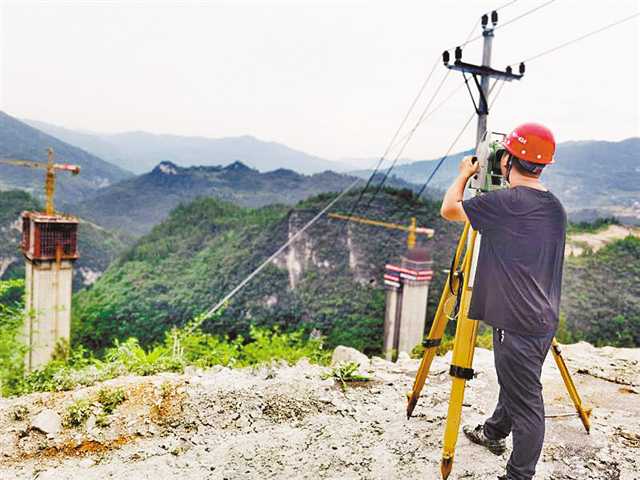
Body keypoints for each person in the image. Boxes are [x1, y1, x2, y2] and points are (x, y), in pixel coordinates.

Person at [439, 123, 566, 480]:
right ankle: (494, 431)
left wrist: (464, 174)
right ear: (542, 166)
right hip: (542, 318)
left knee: (527, 404)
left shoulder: (502, 204)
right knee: (518, 383)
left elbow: (449, 209)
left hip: (516, 322)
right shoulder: (554, 207)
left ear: (508, 159)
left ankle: (518, 475)